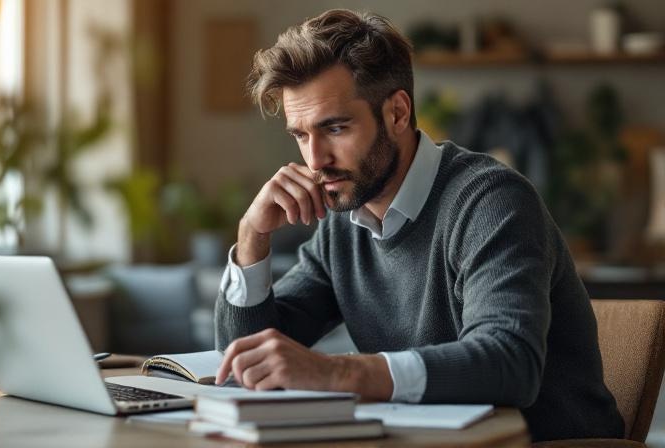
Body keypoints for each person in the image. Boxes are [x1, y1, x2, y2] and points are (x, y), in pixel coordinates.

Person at [212, 9, 623, 442]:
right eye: (300, 134)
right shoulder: (346, 221)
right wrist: (251, 238)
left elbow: (509, 363)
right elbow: (247, 363)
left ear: (397, 113)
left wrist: (337, 372)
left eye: (334, 128)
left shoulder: (492, 201)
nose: (315, 161)